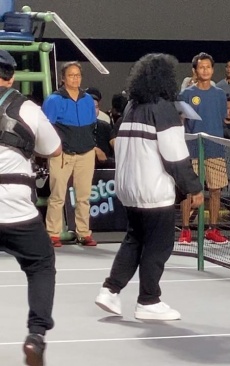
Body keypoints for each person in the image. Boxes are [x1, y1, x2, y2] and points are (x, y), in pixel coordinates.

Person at [94, 53, 204, 320]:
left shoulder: (131, 107)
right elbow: (175, 156)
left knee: (134, 240)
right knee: (159, 245)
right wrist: (194, 187)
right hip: (153, 192)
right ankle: (148, 301)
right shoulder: (164, 109)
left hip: (129, 190)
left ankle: (110, 291)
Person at [0, 50, 62, 366]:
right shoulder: (27, 107)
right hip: (15, 208)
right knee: (40, 264)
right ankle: (36, 336)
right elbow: (53, 148)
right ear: (11, 77)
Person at [42, 61, 97, 247]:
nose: (75, 78)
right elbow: (46, 127)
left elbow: (91, 125)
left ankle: (83, 233)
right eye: (71, 75)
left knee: (84, 196)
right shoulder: (54, 100)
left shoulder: (88, 99)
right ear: (63, 78)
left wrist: (92, 145)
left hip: (86, 153)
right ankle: (53, 234)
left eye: (78, 75)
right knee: (57, 195)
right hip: (62, 154)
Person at [178, 52, 229, 244]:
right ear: (194, 70)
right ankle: (185, 230)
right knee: (189, 191)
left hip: (215, 149)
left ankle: (213, 229)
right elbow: (180, 121)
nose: (205, 70)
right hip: (191, 149)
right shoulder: (185, 95)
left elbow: (222, 117)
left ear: (212, 69)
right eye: (201, 67)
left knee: (215, 190)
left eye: (208, 67)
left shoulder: (220, 95)